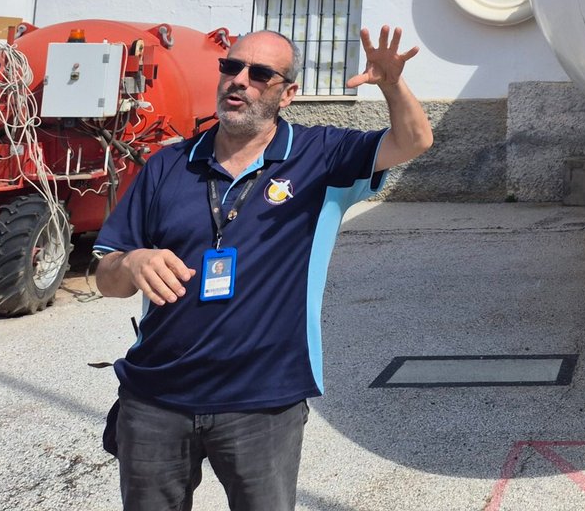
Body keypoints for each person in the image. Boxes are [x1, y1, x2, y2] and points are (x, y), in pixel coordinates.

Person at [93, 25, 432, 511]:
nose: (240, 81)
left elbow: (415, 140)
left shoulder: (320, 156)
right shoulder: (167, 166)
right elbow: (107, 277)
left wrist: (392, 84)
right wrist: (132, 260)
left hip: (263, 399)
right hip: (156, 397)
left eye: (259, 73)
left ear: (288, 93)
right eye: (231, 67)